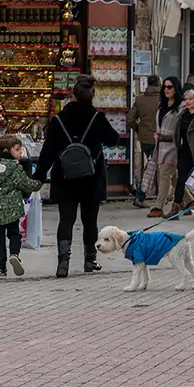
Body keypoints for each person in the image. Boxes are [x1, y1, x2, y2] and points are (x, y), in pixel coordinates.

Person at [33, 75, 121, 277]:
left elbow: (47, 152)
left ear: (73, 95)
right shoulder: (97, 118)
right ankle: (90, 260)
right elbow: (114, 139)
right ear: (92, 95)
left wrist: (38, 176)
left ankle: (63, 263)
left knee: (66, 220)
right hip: (92, 178)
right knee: (90, 220)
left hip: (64, 178)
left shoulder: (58, 120)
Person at [0, 136, 41, 279]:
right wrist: (38, 183)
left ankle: (1, 269)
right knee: (14, 234)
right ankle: (14, 254)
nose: (21, 153)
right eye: (17, 150)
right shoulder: (15, 168)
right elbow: (26, 184)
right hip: (12, 208)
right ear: (7, 150)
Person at [147, 77, 184, 218]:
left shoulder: (181, 107)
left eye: (170, 87)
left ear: (176, 89)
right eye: (165, 87)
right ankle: (190, 200)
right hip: (160, 146)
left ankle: (158, 206)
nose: (166, 89)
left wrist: (163, 137)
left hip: (173, 147)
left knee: (164, 175)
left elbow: (179, 130)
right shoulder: (161, 105)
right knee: (172, 177)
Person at [127, 75, 161, 208]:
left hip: (145, 139)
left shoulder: (140, 99)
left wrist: (139, 130)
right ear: (159, 83)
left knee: (152, 166)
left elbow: (130, 119)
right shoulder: (164, 99)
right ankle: (140, 197)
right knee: (153, 168)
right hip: (160, 138)